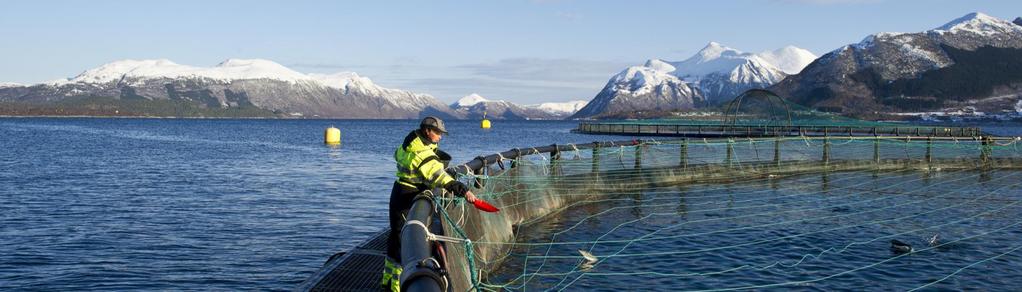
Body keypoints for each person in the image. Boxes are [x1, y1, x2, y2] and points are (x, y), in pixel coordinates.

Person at [381, 116, 477, 291]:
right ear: (428, 131)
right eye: (438, 133)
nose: (440, 137)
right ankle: (396, 285)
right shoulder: (421, 153)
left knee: (395, 236)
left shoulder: (410, 143)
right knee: (405, 240)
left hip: (399, 190)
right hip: (408, 196)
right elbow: (438, 176)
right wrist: (463, 190)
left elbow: (397, 154)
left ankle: (387, 278)